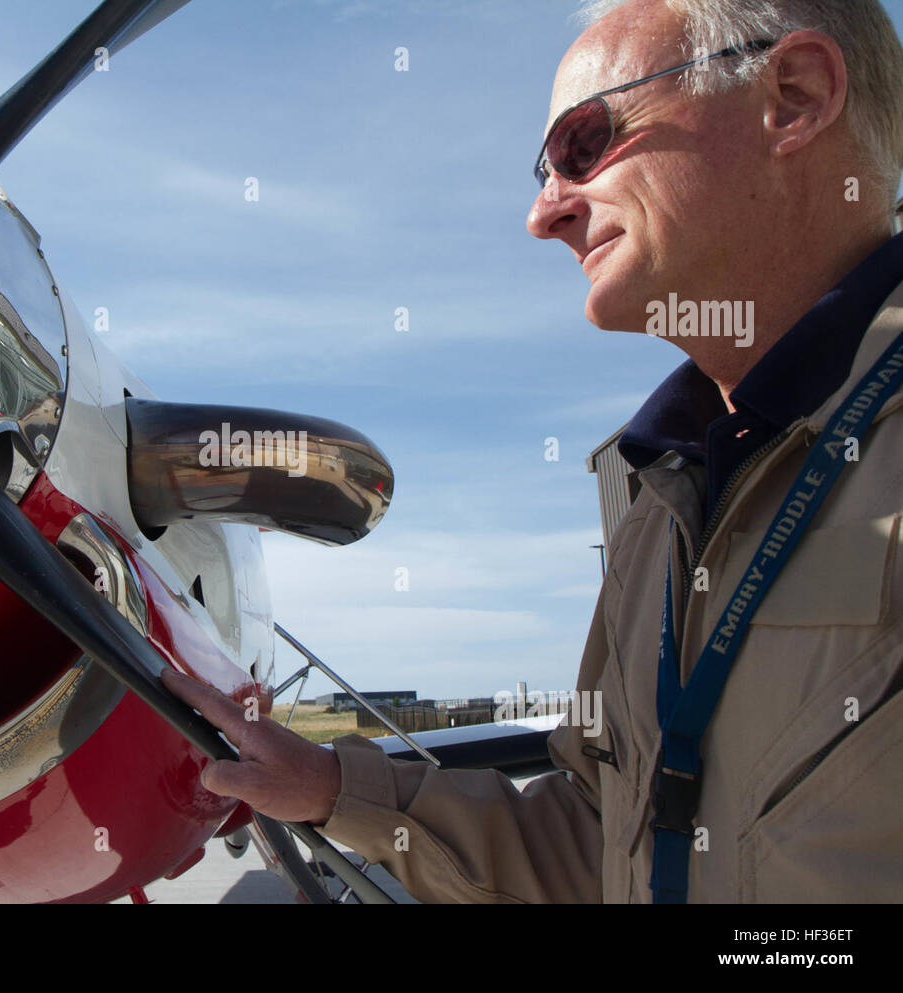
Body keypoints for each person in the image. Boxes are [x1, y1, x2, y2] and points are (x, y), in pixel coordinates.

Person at [162, 0, 903, 903]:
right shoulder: (660, 511)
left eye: (584, 144)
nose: (543, 213)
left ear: (793, 97)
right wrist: (331, 787)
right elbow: (597, 837)